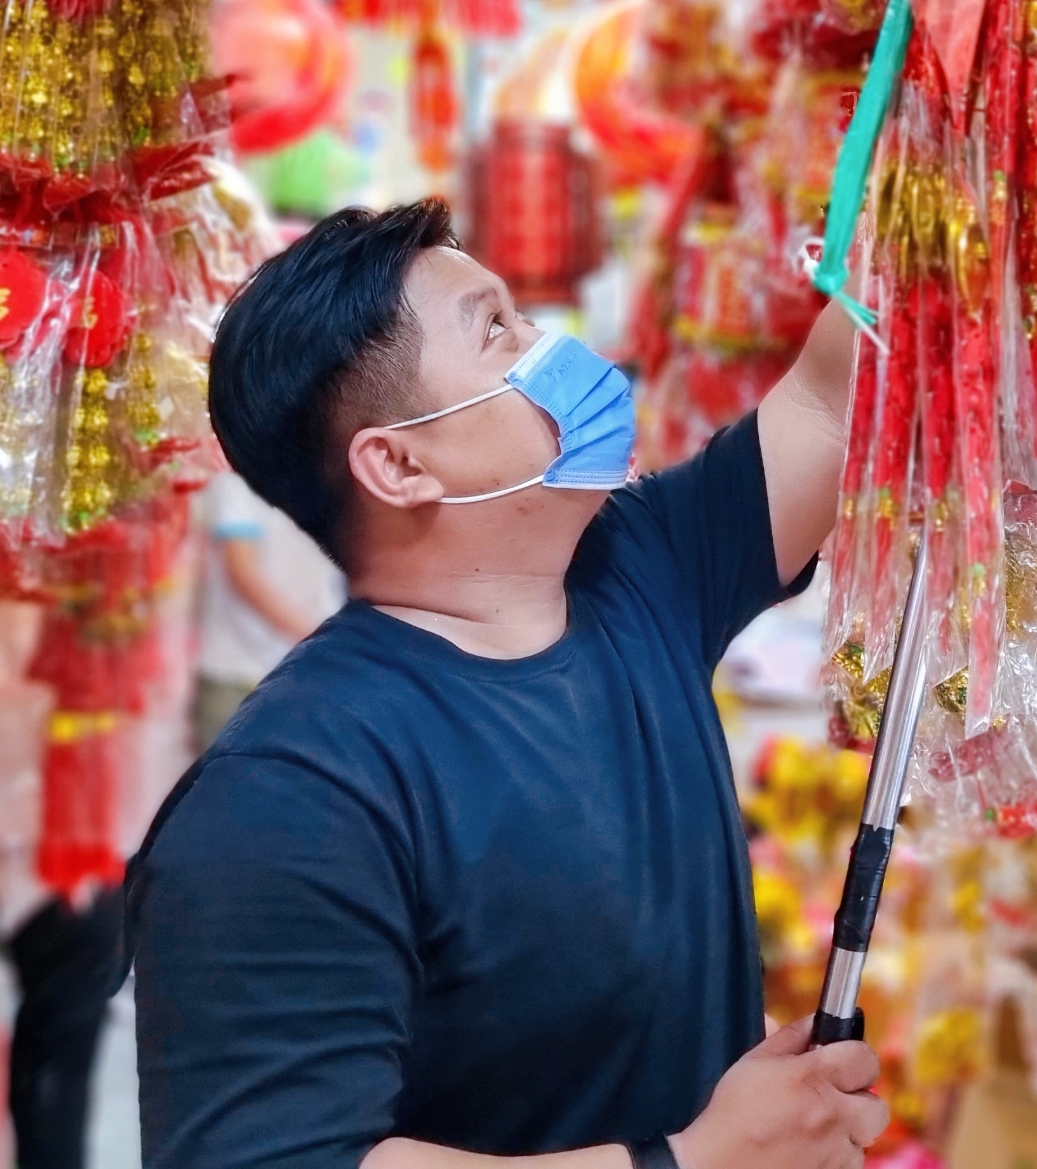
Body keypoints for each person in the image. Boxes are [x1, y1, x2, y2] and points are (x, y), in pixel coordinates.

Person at [127, 201, 885, 1169]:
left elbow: (835, 394)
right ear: (399, 463)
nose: (553, 348)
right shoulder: (289, 791)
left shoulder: (638, 568)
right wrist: (691, 1161)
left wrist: (948, 123)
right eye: (497, 332)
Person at [191, 467, 346, 749]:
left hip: (306, 673)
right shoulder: (240, 482)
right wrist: (319, 638)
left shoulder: (330, 479)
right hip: (238, 671)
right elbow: (243, 572)